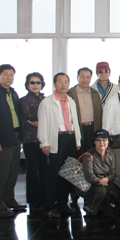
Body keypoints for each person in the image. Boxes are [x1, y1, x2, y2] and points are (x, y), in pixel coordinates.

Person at [0, 64, 26, 219]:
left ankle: (9, 200)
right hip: (2, 139)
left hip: (15, 137)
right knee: (0, 173)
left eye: (11, 74)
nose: (9, 77)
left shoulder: (13, 93)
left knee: (12, 172)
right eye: (5, 74)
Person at [38, 72, 82, 219]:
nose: (63, 85)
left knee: (68, 172)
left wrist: (77, 141)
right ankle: (50, 206)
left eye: (66, 81)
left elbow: (75, 121)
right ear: (54, 84)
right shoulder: (47, 102)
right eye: (60, 82)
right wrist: (44, 142)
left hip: (70, 138)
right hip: (56, 139)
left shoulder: (71, 101)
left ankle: (63, 203)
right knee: (53, 174)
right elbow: (42, 124)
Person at [18, 72, 46, 213]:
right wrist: (41, 119)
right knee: (33, 171)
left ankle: (44, 199)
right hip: (30, 140)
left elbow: (50, 116)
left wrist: (38, 121)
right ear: (27, 85)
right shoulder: (23, 100)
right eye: (32, 82)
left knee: (44, 170)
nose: (35, 85)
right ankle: (33, 201)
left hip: (44, 140)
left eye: (38, 82)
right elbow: (31, 115)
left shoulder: (45, 99)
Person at [80, 129, 117, 216]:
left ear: (108, 141)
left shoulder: (111, 155)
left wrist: (107, 179)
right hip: (88, 184)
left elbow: (112, 174)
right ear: (94, 142)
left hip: (104, 182)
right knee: (102, 191)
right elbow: (89, 177)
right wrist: (102, 182)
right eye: (98, 140)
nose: (101, 143)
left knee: (116, 191)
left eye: (104, 140)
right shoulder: (88, 156)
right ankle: (91, 207)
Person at [67, 67, 103, 155]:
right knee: (78, 155)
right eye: (82, 76)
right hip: (78, 129)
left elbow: (100, 113)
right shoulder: (70, 93)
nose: (85, 79)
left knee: (92, 155)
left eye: (88, 77)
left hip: (93, 128)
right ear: (77, 77)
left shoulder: (95, 93)